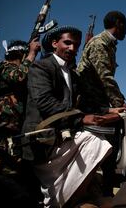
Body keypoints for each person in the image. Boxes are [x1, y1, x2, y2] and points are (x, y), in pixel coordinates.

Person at [22, 26, 115, 207]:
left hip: (62, 138)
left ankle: (69, 197)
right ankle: (59, 201)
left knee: (102, 144)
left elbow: (84, 103)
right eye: (67, 43)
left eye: (76, 45)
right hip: (42, 142)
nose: (72, 48)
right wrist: (80, 119)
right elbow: (44, 101)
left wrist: (108, 110)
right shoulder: (41, 66)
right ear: (54, 43)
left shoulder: (72, 74)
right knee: (95, 141)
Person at [77, 10, 126, 196]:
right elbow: (105, 77)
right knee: (107, 145)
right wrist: (120, 103)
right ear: (118, 24)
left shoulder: (109, 45)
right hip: (90, 104)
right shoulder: (100, 43)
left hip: (98, 101)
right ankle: (101, 193)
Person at [0, 39, 40, 161]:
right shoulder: (2, 65)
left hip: (18, 124)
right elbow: (18, 77)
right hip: (4, 121)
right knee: (3, 159)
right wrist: (32, 54)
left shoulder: (23, 70)